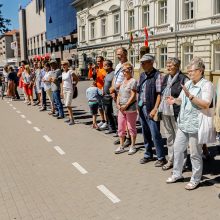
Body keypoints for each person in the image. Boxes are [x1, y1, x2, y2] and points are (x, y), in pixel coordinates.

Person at [166, 57, 214, 190]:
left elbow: (206, 104)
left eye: (191, 71)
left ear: (200, 70)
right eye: (188, 72)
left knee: (194, 153)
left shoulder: (206, 85)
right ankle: (177, 174)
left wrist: (191, 97)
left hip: (196, 125)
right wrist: (174, 100)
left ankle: (195, 179)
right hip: (183, 123)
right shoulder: (188, 84)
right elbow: (181, 100)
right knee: (178, 149)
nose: (189, 74)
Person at [159, 58, 188, 170]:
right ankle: (171, 160)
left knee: (180, 139)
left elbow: (185, 97)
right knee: (170, 137)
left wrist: (175, 100)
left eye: (170, 65)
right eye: (167, 65)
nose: (168, 67)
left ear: (177, 66)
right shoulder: (166, 77)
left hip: (177, 112)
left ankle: (182, 163)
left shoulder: (183, 79)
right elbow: (162, 92)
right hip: (166, 111)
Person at [137, 54, 167, 167]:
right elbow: (139, 92)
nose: (142, 65)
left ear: (151, 62)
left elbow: (159, 94)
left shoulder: (157, 75)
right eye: (141, 63)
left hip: (151, 108)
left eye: (144, 63)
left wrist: (155, 109)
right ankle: (148, 154)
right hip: (142, 107)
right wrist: (138, 106)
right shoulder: (142, 75)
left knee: (155, 134)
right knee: (145, 133)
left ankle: (161, 157)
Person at [110, 47, 131, 147]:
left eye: (120, 54)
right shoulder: (118, 65)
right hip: (116, 93)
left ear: (125, 54)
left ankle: (128, 138)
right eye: (117, 54)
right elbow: (115, 77)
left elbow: (127, 79)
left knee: (125, 116)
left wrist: (115, 88)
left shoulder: (128, 65)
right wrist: (112, 88)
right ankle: (121, 136)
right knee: (119, 117)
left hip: (124, 93)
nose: (118, 56)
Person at [115, 62, 138, 155]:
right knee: (121, 126)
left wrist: (126, 105)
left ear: (130, 70)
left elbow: (133, 95)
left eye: (126, 70)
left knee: (131, 127)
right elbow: (119, 94)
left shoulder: (133, 81)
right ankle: (121, 145)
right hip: (121, 108)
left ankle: (133, 146)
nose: (124, 72)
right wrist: (117, 103)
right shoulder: (122, 82)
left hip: (130, 107)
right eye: (123, 70)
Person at [61, 60, 79, 125]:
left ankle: (72, 119)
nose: (63, 66)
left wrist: (74, 85)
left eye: (64, 64)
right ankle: (70, 118)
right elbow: (62, 82)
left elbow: (76, 78)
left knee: (68, 104)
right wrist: (61, 91)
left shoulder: (70, 72)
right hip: (64, 89)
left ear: (67, 65)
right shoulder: (63, 73)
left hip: (69, 90)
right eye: (62, 64)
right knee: (66, 104)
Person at [103, 60, 117, 134]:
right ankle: (111, 128)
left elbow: (114, 85)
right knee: (107, 112)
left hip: (111, 96)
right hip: (106, 96)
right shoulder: (107, 73)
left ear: (108, 66)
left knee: (113, 113)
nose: (103, 67)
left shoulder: (114, 74)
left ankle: (116, 129)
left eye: (104, 65)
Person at [95, 56, 107, 130]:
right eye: (97, 61)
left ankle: (106, 121)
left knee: (104, 107)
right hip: (97, 89)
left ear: (103, 61)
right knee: (99, 106)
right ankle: (102, 120)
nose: (98, 62)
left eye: (99, 61)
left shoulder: (104, 70)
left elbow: (106, 80)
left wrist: (103, 89)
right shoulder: (98, 69)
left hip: (102, 90)